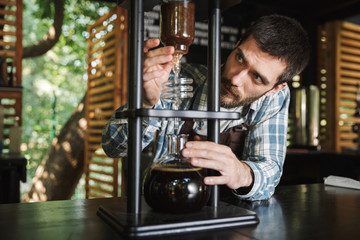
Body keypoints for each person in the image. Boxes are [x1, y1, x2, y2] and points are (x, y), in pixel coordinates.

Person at [102, 14, 310, 201]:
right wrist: (146, 105)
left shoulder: (273, 97)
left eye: (257, 77)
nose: (236, 79)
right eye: (240, 58)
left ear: (276, 87)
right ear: (236, 44)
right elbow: (113, 147)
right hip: (166, 206)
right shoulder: (176, 79)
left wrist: (241, 173)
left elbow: (270, 170)